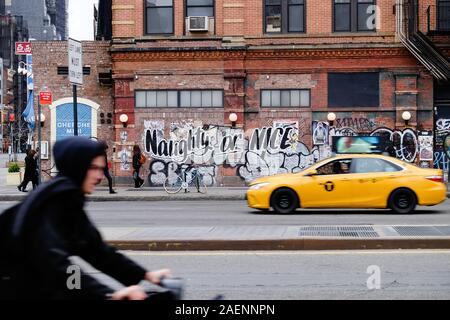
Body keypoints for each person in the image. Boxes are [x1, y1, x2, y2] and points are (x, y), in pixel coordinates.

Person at [4, 137, 171, 300]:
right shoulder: (51, 203)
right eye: (93, 168)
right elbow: (58, 266)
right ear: (77, 167)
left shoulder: (70, 201)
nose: (100, 176)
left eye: (101, 168)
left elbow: (98, 251)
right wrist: (107, 295)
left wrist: (146, 275)